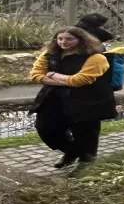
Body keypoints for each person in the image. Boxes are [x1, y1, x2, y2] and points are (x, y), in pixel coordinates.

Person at [29, 26, 116, 170]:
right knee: (46, 129)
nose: (63, 42)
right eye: (60, 38)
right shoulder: (49, 54)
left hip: (87, 100)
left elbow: (80, 80)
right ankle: (73, 151)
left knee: (85, 132)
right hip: (54, 98)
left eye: (69, 39)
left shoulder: (96, 57)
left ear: (81, 40)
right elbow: (36, 75)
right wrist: (65, 80)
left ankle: (86, 162)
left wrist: (52, 75)